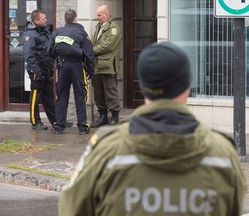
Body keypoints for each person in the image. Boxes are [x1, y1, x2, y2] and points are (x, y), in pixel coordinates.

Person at [58, 42, 246, 215]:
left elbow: (71, 208)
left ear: (143, 86)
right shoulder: (222, 156)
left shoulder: (107, 151)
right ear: (188, 85)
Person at [50, 9, 95, 135]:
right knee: (80, 96)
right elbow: (89, 53)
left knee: (62, 96)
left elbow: (50, 51)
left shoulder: (57, 32)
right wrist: (91, 70)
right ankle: (82, 127)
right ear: (75, 19)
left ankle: (59, 126)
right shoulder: (81, 32)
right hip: (77, 66)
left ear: (65, 19)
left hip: (62, 66)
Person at [23, 9, 56, 130]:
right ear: (36, 20)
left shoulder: (45, 31)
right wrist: (35, 71)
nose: (46, 20)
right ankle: (35, 121)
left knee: (49, 96)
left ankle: (56, 120)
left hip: (47, 68)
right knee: (35, 96)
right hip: (37, 69)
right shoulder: (30, 35)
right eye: (43, 19)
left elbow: (49, 49)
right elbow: (29, 55)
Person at [90, 5, 122, 128]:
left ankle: (114, 117)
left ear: (107, 14)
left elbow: (107, 46)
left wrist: (90, 51)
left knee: (110, 92)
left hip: (108, 66)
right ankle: (103, 116)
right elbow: (94, 42)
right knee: (98, 93)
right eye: (97, 15)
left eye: (99, 15)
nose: (97, 17)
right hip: (97, 66)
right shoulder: (98, 27)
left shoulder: (113, 29)